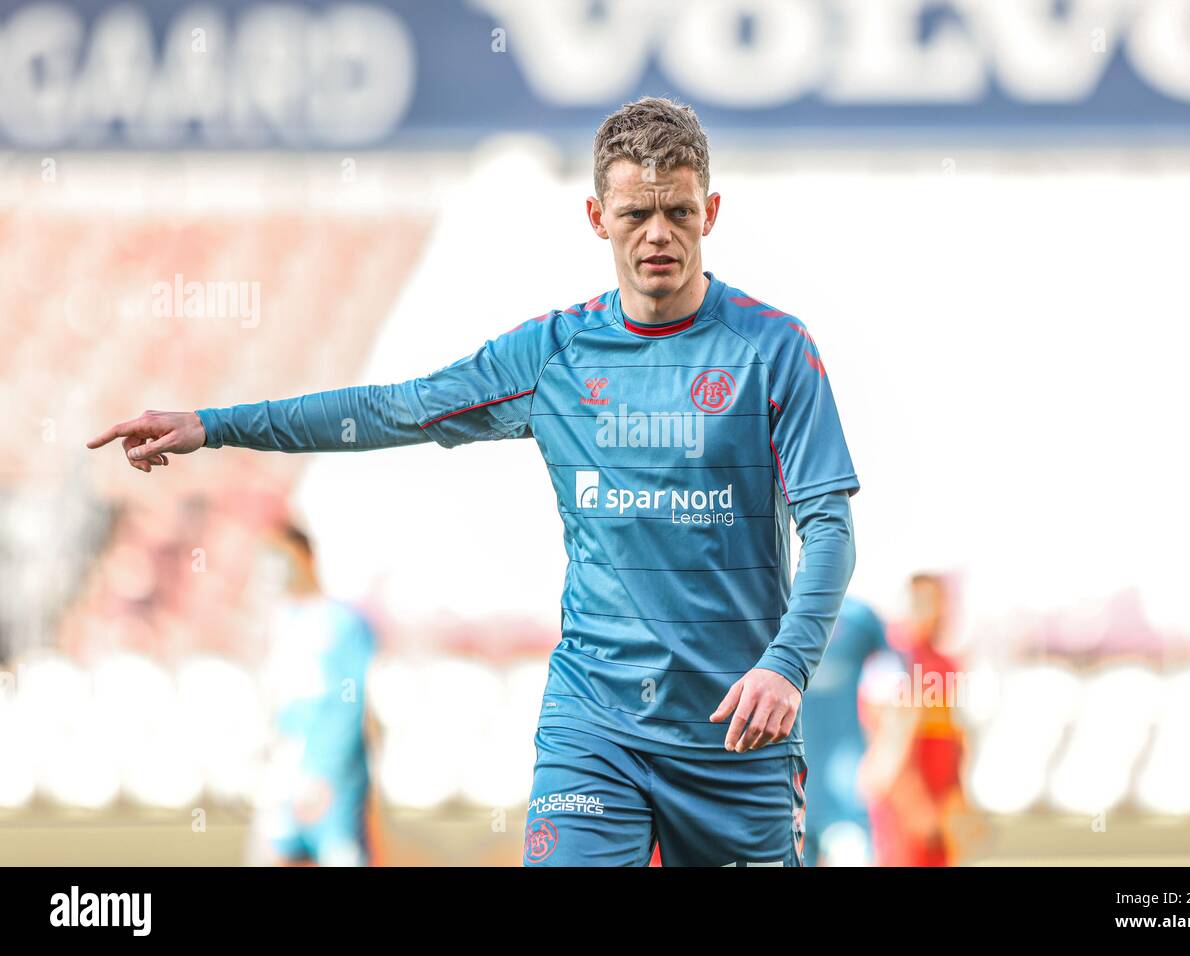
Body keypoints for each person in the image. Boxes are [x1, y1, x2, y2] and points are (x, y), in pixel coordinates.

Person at [87, 97, 858, 867]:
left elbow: (828, 527)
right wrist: (218, 423)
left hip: (736, 730)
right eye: (635, 214)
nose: (658, 234)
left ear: (710, 211)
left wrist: (785, 665)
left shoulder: (773, 350)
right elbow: (395, 409)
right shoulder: (555, 356)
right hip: (594, 726)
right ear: (596, 216)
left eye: (678, 212)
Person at [244, 522, 379, 867]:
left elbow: (350, 706)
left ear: (306, 558)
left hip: (330, 780)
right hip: (281, 776)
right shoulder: (279, 622)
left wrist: (323, 773)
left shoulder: (342, 623)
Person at [859, 573, 969, 866]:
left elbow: (952, 738)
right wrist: (915, 807)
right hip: (905, 815)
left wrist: (955, 803)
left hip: (938, 811)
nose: (937, 612)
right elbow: (887, 743)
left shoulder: (946, 664)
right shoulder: (893, 660)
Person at [801, 596, 888, 866]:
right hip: (792, 782)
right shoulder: (777, 606)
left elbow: (890, 689)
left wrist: (883, 756)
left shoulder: (862, 617)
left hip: (846, 782)